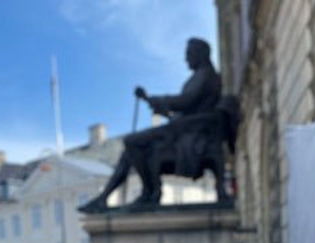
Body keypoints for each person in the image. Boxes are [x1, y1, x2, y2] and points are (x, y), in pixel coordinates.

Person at [79, 38, 221, 212]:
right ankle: (106, 198)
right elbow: (185, 110)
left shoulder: (206, 75)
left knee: (132, 142)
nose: (186, 59)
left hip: (192, 133)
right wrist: (156, 104)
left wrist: (158, 100)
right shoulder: (199, 76)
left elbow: (186, 102)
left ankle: (150, 192)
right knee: (129, 150)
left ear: (201, 54)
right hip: (182, 129)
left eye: (189, 54)